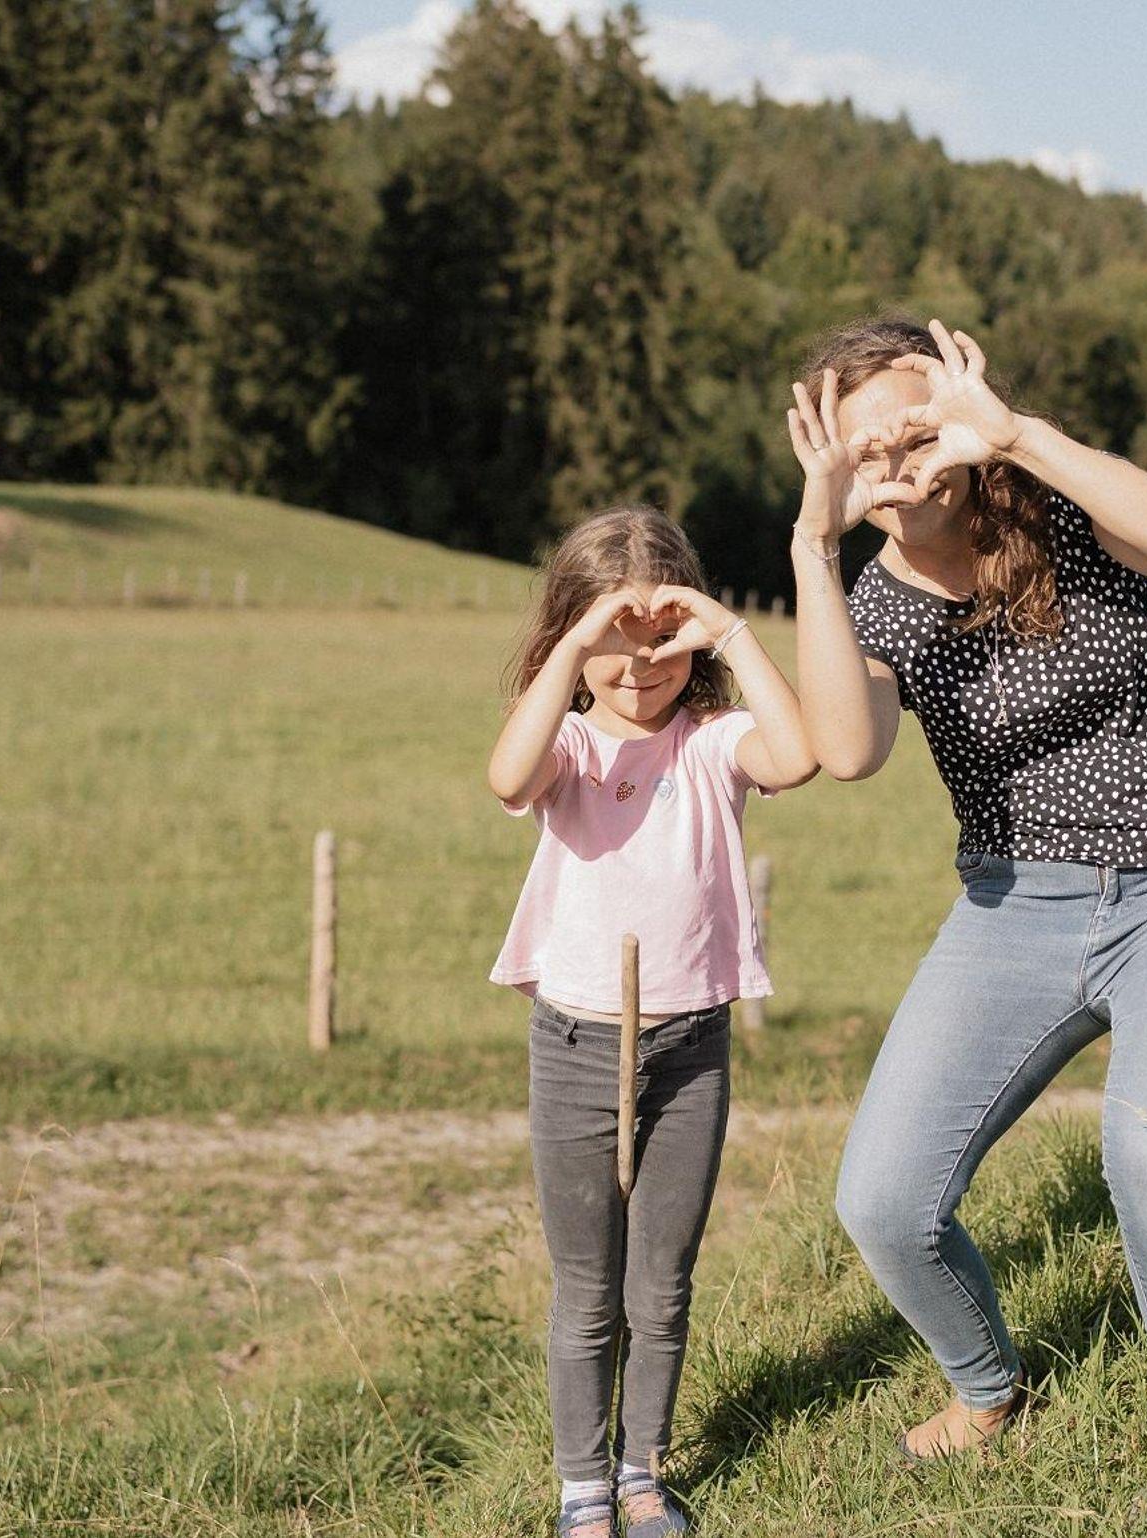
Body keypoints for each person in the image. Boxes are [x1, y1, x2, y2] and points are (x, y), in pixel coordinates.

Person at [784, 316, 1147, 1508]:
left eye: (914, 426)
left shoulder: (1057, 507)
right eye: (865, 444)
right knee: (881, 1199)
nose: (896, 457)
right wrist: (809, 543)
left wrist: (1017, 436)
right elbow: (844, 750)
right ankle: (987, 1388)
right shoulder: (874, 600)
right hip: (1018, 903)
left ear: (957, 415)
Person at [486, 506, 815, 1537]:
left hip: (689, 1045)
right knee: (588, 1288)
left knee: (661, 1286)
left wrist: (731, 632)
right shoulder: (569, 745)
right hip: (577, 1042)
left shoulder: (713, 743)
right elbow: (507, 776)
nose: (640, 671)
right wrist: (576, 645)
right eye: (613, 648)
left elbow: (799, 756)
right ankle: (582, 1484)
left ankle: (642, 1471)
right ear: (574, 644)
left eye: (662, 647)